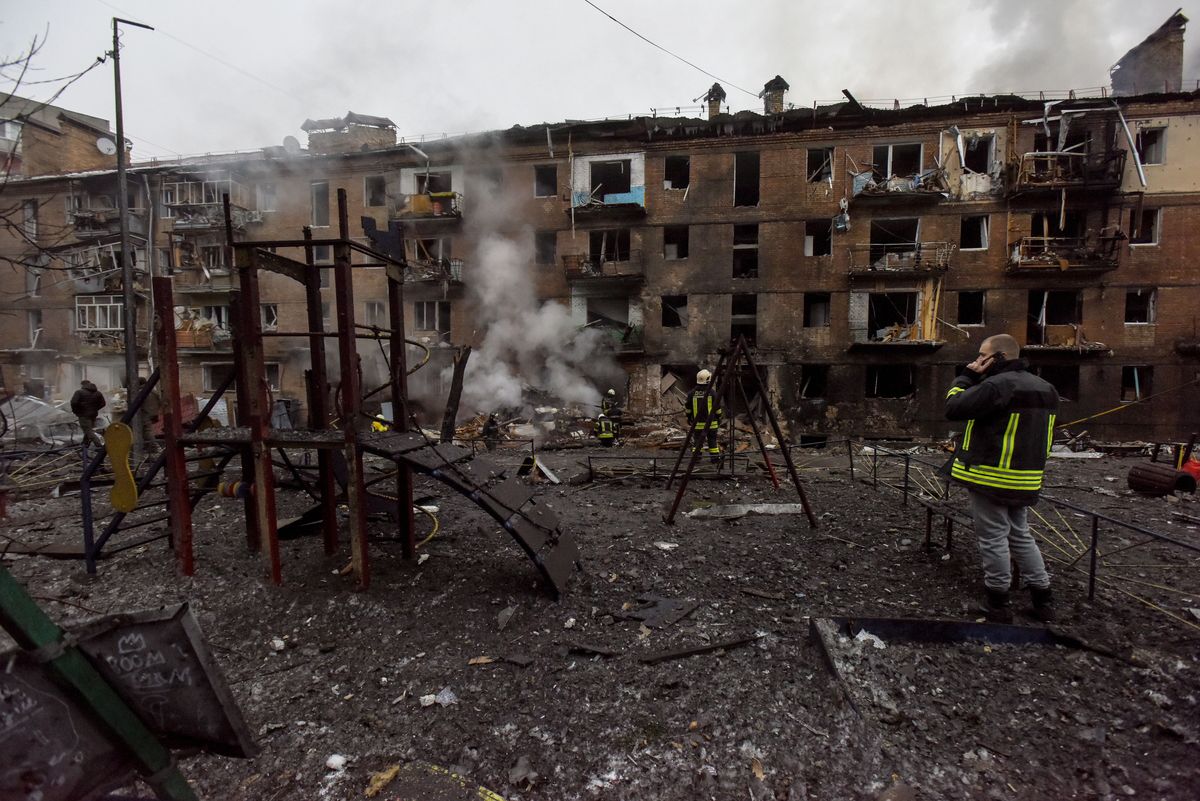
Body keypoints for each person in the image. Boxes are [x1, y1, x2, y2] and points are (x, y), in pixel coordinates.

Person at [945, 333, 1058, 623]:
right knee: (1020, 534)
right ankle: (1043, 599)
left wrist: (966, 377)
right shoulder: (1046, 388)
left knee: (993, 537)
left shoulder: (997, 385)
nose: (978, 360)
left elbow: (954, 407)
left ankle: (997, 603)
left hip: (992, 476)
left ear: (1000, 357)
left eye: (982, 356)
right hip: (1026, 478)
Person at [685, 368, 722, 463]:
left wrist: (689, 418)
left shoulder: (691, 394)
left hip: (697, 424)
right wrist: (719, 417)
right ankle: (714, 459)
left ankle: (696, 459)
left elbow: (688, 409)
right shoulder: (713, 393)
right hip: (711, 424)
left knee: (697, 442)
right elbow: (717, 409)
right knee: (712, 442)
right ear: (708, 379)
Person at [70, 380, 106, 449]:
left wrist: (76, 411)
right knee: (89, 430)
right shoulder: (98, 393)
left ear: (83, 385)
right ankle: (84, 445)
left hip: (83, 415)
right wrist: (95, 409)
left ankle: (100, 445)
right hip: (93, 415)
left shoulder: (79, 392)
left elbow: (73, 403)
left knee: (88, 431)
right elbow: (103, 404)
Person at [138, 376, 162, 452]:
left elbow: (137, 403)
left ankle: (155, 447)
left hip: (145, 413)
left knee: (147, 431)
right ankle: (149, 447)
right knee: (146, 430)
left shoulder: (142, 391)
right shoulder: (153, 391)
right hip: (153, 413)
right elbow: (160, 402)